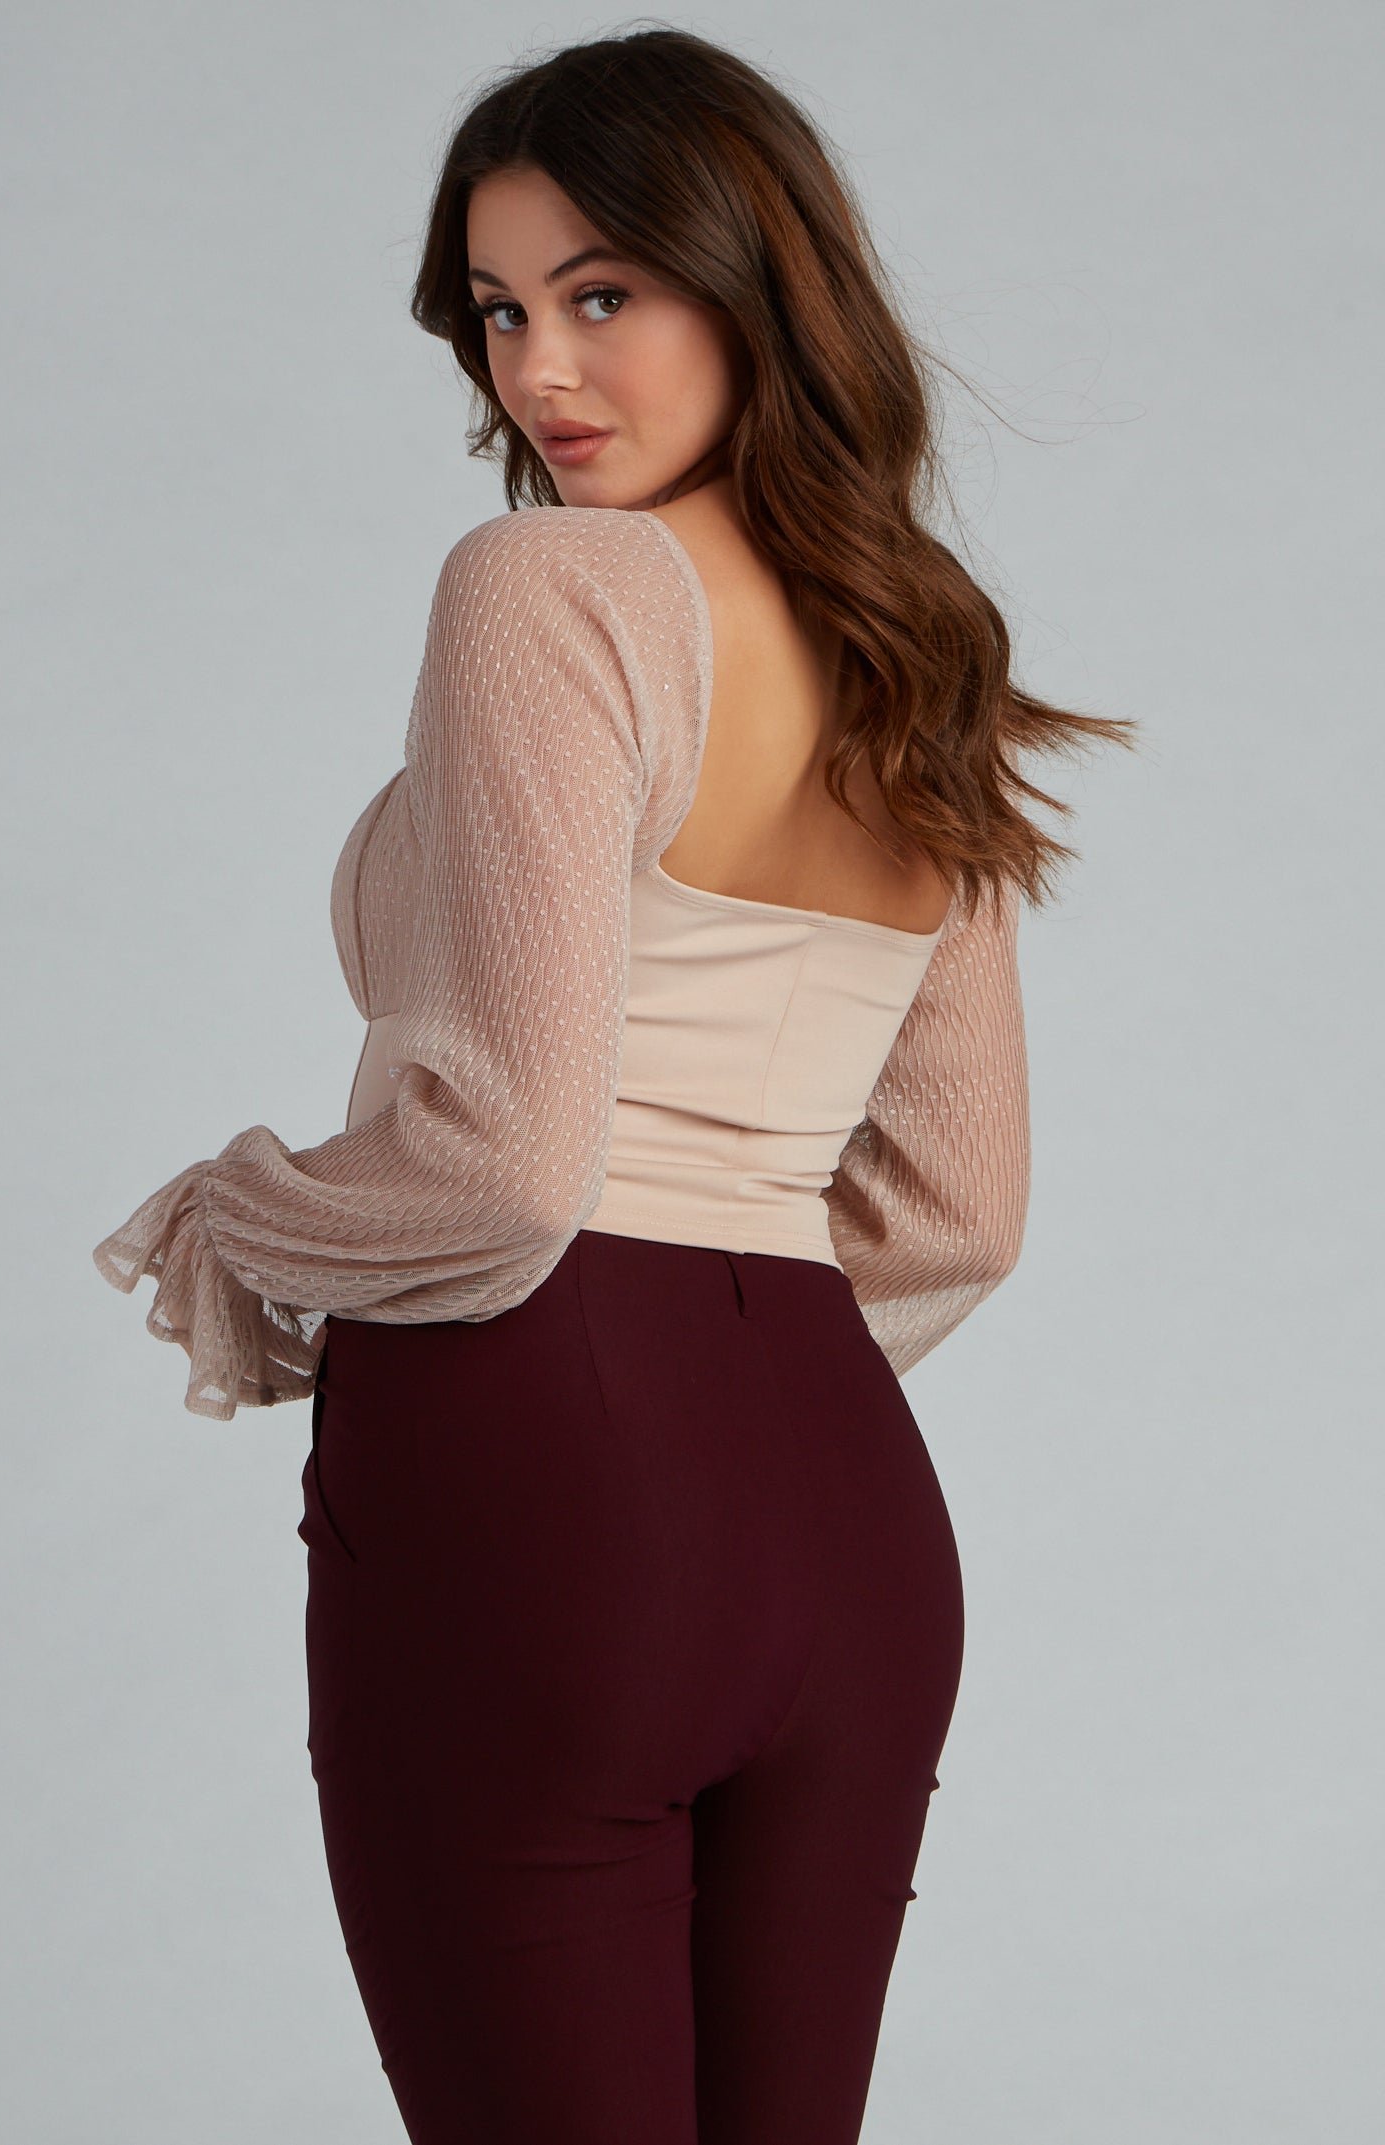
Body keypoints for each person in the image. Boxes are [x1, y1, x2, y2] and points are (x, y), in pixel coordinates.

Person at [92, 27, 1133, 2144]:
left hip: (543, 1488)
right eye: (497, 312)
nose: (541, 371)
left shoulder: (548, 587)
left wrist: (238, 1209)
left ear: (753, 283)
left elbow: (503, 1166)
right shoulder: (913, 641)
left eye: (601, 294)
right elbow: (962, 1212)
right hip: (846, 1519)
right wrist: (731, 1387)